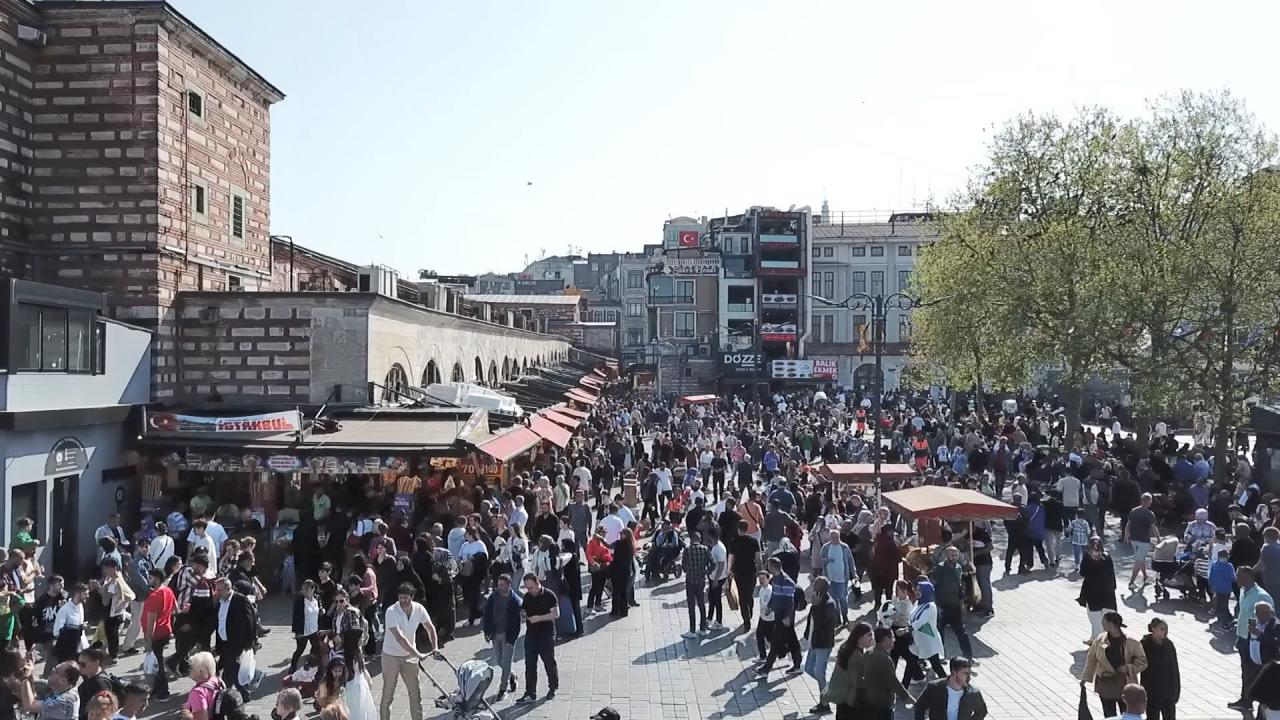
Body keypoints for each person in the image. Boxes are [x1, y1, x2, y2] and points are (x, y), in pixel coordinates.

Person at [379, 583, 437, 720]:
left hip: (409, 656)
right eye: (401, 598)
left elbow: (430, 628)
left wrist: (435, 648)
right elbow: (400, 638)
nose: (403, 601)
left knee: (415, 693)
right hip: (391, 656)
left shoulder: (419, 609)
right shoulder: (391, 611)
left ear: (412, 597)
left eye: (406, 598)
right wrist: (417, 654)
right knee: (388, 694)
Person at [1082, 611, 1149, 717]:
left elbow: (1143, 662)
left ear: (1111, 624)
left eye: (1104, 621)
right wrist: (1086, 678)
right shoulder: (1100, 639)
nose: (1102, 623)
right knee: (1109, 715)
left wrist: (1127, 668)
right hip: (1106, 684)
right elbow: (1092, 659)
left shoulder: (1131, 642)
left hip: (1125, 684)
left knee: (1127, 714)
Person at [1232, 567, 1275, 712]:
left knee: (1254, 672)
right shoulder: (1243, 591)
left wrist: (1259, 635)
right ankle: (1245, 699)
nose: (1236, 578)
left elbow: (1271, 619)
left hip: (1255, 641)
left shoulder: (1261, 596)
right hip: (1242, 637)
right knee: (1246, 672)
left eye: (1239, 576)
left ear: (1248, 577)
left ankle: (1252, 700)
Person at [515, 573, 559, 704]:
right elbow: (524, 610)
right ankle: (530, 692)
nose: (529, 590)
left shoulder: (549, 595)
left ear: (537, 583)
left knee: (549, 662)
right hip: (531, 634)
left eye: (531, 587)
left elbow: (556, 614)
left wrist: (539, 618)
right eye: (527, 588)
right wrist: (523, 615)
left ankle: (553, 687)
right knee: (530, 664)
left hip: (546, 634)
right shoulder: (527, 597)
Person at [213, 578, 256, 702]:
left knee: (231, 667)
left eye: (219, 590)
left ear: (228, 588)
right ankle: (227, 692)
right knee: (230, 669)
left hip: (236, 641)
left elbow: (249, 621)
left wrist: (249, 642)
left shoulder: (240, 600)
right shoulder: (220, 602)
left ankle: (237, 693)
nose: (217, 593)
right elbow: (219, 621)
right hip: (224, 641)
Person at [929, 546, 974, 661]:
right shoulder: (940, 568)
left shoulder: (958, 567)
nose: (954, 557)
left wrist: (962, 598)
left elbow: (959, 583)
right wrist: (935, 602)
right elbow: (933, 584)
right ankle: (940, 656)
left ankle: (968, 656)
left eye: (956, 555)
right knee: (940, 632)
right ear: (946, 556)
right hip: (942, 605)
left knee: (961, 632)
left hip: (955, 606)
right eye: (952, 555)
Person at [481, 574, 521, 700]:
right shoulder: (494, 596)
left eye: (502, 585)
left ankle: (503, 688)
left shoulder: (515, 601)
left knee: (506, 662)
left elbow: (517, 623)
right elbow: (487, 614)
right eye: (498, 585)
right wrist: (486, 631)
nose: (499, 587)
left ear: (509, 585)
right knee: (498, 660)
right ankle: (511, 675)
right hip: (495, 633)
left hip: (507, 635)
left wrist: (512, 639)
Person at [803, 576, 839, 716]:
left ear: (820, 591)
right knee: (808, 668)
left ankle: (824, 703)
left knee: (819, 672)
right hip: (814, 641)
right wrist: (807, 635)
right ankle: (827, 688)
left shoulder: (829, 604)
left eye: (815, 587)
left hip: (823, 644)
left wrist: (815, 606)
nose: (812, 589)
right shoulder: (817, 602)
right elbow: (811, 621)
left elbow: (820, 622)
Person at [861, 627, 915, 720]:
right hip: (881, 704)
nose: (894, 640)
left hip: (868, 700)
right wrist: (910, 699)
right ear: (886, 639)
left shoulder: (869, 653)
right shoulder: (884, 659)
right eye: (892, 637)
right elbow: (894, 683)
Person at [822, 621, 873, 719]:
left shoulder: (846, 647)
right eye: (869, 635)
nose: (872, 638)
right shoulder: (856, 657)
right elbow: (857, 682)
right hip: (851, 700)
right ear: (860, 637)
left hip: (842, 697)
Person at [913, 656, 987, 720]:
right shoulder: (934, 688)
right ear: (954, 672)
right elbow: (919, 707)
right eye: (965, 673)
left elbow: (982, 711)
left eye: (969, 673)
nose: (968, 677)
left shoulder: (973, 693)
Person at [139, 568, 175, 700]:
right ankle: (156, 689)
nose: (149, 580)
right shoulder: (168, 591)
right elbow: (175, 609)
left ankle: (163, 693)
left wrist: (148, 639)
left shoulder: (154, 596)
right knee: (157, 661)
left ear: (157, 579)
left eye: (150, 578)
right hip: (165, 630)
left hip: (157, 634)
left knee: (157, 665)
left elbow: (151, 622)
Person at [1079, 535, 1118, 642]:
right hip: (1107, 593)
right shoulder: (1107, 556)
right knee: (1107, 619)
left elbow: (1082, 572)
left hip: (1092, 593)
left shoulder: (1087, 556)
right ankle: (1103, 639)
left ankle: (1096, 641)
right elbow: (1112, 574)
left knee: (1095, 620)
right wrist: (1113, 588)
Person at [1140, 617, 1180, 720]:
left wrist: (1176, 690)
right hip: (1152, 689)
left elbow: (1174, 668)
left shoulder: (1168, 645)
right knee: (1152, 716)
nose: (1164, 632)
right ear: (1153, 628)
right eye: (1161, 629)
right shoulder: (1145, 644)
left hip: (1167, 690)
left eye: (1165, 629)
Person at [16, 660, 81, 720]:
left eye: (55, 671)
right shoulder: (62, 687)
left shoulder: (65, 701)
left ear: (63, 680)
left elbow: (30, 706)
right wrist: (30, 672)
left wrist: (25, 678)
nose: (52, 670)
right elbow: (34, 685)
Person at [909, 580, 947, 681]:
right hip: (918, 640)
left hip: (929, 642)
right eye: (916, 590)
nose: (917, 592)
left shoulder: (931, 606)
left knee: (936, 665)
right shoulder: (917, 603)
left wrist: (907, 629)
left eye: (919, 590)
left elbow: (922, 621)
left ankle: (946, 683)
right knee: (911, 662)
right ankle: (912, 681)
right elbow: (911, 616)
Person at [819, 529, 856, 623]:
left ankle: (845, 616)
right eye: (833, 537)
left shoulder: (844, 547)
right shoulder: (826, 547)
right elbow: (821, 559)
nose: (835, 539)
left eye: (837, 537)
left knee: (843, 598)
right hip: (830, 578)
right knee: (833, 599)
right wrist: (828, 560)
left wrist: (854, 573)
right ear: (830, 538)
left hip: (842, 578)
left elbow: (850, 560)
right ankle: (836, 618)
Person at [1124, 493, 1158, 590]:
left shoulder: (1133, 511)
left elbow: (1128, 524)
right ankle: (1131, 582)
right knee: (1139, 561)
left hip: (1133, 539)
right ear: (1148, 501)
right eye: (1150, 501)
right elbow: (1153, 528)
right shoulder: (1150, 514)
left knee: (1141, 558)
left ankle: (1145, 577)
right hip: (1144, 540)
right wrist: (1158, 538)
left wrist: (1126, 535)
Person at [681, 532, 711, 638]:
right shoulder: (705, 549)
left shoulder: (687, 550)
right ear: (700, 539)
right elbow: (713, 564)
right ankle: (702, 628)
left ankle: (692, 630)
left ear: (691, 539)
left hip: (690, 580)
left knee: (691, 605)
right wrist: (705, 572)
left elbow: (683, 565)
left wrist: (688, 571)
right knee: (701, 604)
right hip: (701, 581)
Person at [289, 580, 321, 675]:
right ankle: (293, 666)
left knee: (316, 648)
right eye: (303, 589)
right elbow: (295, 616)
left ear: (313, 589)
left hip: (314, 629)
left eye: (307, 589)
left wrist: (322, 610)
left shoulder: (317, 598)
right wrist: (297, 631)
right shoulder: (300, 600)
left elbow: (319, 609)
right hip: (303, 630)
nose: (304, 592)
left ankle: (311, 664)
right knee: (300, 649)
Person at [181, 652, 222, 720]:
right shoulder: (218, 681)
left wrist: (188, 716)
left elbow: (202, 718)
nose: (189, 670)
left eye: (192, 668)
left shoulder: (198, 693)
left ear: (201, 672)